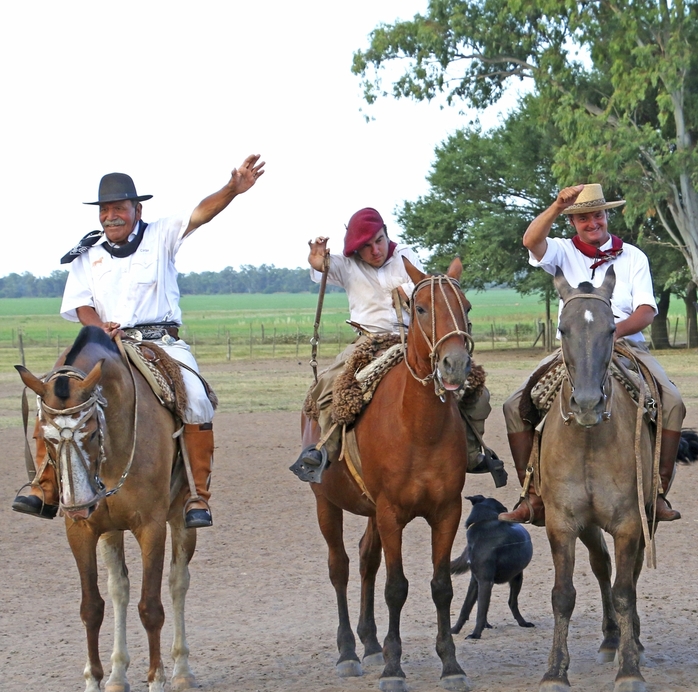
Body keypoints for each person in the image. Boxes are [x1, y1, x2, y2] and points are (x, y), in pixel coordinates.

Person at [14, 156, 266, 528]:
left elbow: (200, 214)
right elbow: (81, 304)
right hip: (104, 343)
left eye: (119, 208)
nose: (110, 216)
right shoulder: (87, 254)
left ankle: (196, 494)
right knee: (53, 395)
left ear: (137, 209)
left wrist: (232, 189)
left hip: (159, 341)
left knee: (197, 398)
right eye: (104, 210)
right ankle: (45, 486)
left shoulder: (161, 234)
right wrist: (100, 327)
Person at [497, 184, 686, 526]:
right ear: (573, 222)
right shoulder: (561, 251)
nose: (592, 223)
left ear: (606, 216)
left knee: (672, 402)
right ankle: (533, 494)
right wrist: (557, 205)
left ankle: (657, 492)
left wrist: (609, 333)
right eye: (583, 218)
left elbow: (646, 311)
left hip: (624, 344)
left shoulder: (633, 257)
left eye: (597, 215)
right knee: (513, 406)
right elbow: (530, 241)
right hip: (571, 349)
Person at [289, 208, 503, 485]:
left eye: (379, 240)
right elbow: (322, 268)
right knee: (330, 385)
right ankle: (323, 451)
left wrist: (409, 291)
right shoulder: (347, 264)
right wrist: (318, 261)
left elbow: (423, 288)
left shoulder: (406, 255)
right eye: (367, 246)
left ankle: (472, 451)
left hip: (411, 341)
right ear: (356, 250)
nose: (375, 250)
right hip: (368, 341)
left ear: (386, 233)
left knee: (475, 387)